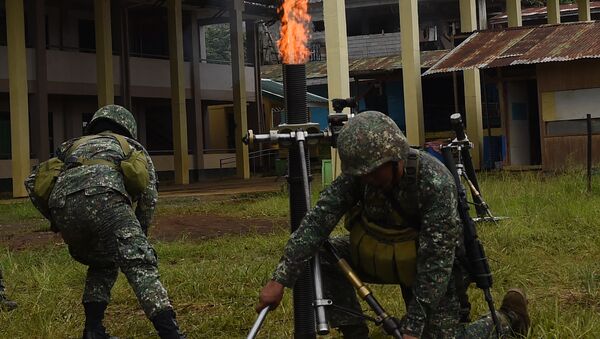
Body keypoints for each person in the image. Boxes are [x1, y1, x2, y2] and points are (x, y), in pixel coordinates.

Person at [256, 111, 530, 338]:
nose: (367, 180)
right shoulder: (360, 175)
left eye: (373, 173)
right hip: (380, 253)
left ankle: (508, 319)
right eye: (361, 174)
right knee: (323, 252)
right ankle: (354, 332)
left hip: (427, 267)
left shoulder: (434, 183)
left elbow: (436, 262)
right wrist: (279, 279)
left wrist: (413, 326)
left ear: (395, 158)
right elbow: (317, 221)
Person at [31, 105, 184, 339]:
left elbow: (34, 182)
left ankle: (93, 330)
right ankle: (172, 334)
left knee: (103, 261)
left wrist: (57, 220)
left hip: (62, 209)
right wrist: (139, 236)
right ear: (127, 128)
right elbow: (149, 197)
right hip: (107, 202)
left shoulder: (70, 146)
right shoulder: (131, 147)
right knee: (140, 266)